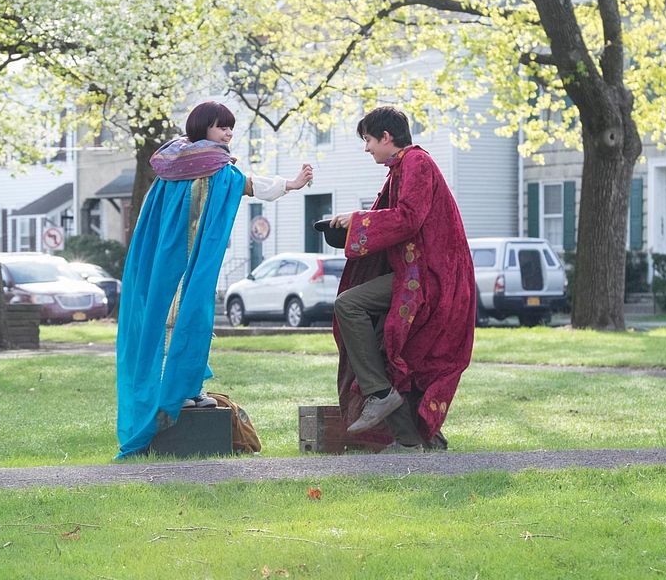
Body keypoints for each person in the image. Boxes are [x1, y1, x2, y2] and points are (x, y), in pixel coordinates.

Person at [116, 101, 313, 458]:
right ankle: (180, 390)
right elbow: (247, 184)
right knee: (189, 317)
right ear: (202, 127)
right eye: (221, 126)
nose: (228, 133)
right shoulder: (214, 167)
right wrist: (290, 184)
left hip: (162, 262)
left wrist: (288, 183)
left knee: (170, 319)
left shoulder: (170, 163)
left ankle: (179, 387)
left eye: (230, 128)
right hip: (189, 263)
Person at [328, 106, 474, 452]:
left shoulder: (416, 163)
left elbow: (408, 218)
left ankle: (380, 395)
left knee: (349, 306)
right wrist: (356, 222)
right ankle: (415, 440)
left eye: (368, 140)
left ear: (386, 137)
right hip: (420, 276)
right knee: (385, 349)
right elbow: (399, 218)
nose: (366, 148)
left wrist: (359, 220)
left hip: (432, 282)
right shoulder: (403, 167)